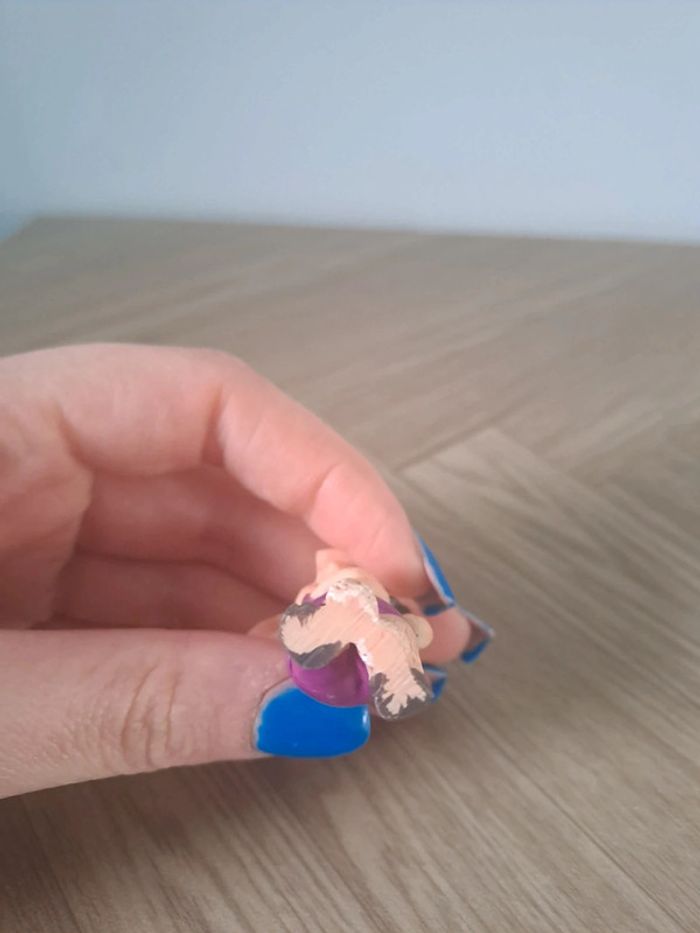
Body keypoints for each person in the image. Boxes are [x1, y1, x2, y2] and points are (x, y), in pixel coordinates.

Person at [0, 344, 472, 798]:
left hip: (349, 639)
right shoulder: (324, 601)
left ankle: (370, 634)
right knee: (318, 629)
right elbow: (293, 630)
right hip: (340, 636)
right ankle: (366, 632)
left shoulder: (340, 605)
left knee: (334, 627)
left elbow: (313, 628)